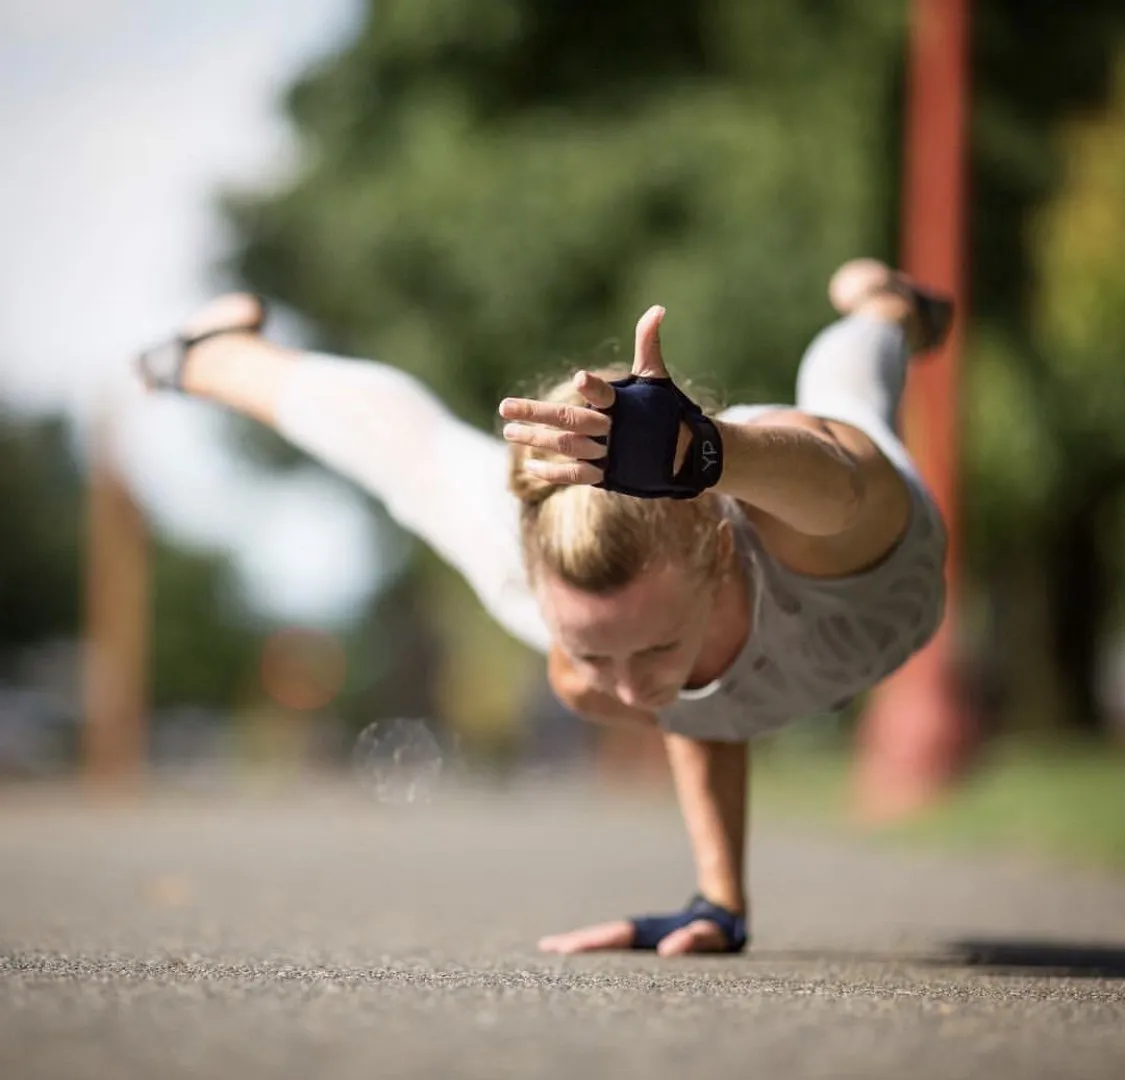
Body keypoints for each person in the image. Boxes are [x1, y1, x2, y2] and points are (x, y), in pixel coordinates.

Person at [137, 258, 951, 957]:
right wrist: (718, 902)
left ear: (715, 562)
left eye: (656, 648)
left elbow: (845, 487)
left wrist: (706, 453)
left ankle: (884, 304)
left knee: (846, 385)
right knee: (410, 454)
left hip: (775, 497)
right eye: (599, 653)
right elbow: (708, 710)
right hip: (601, 538)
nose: (627, 694)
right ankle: (208, 354)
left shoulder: (814, 536)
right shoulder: (558, 626)